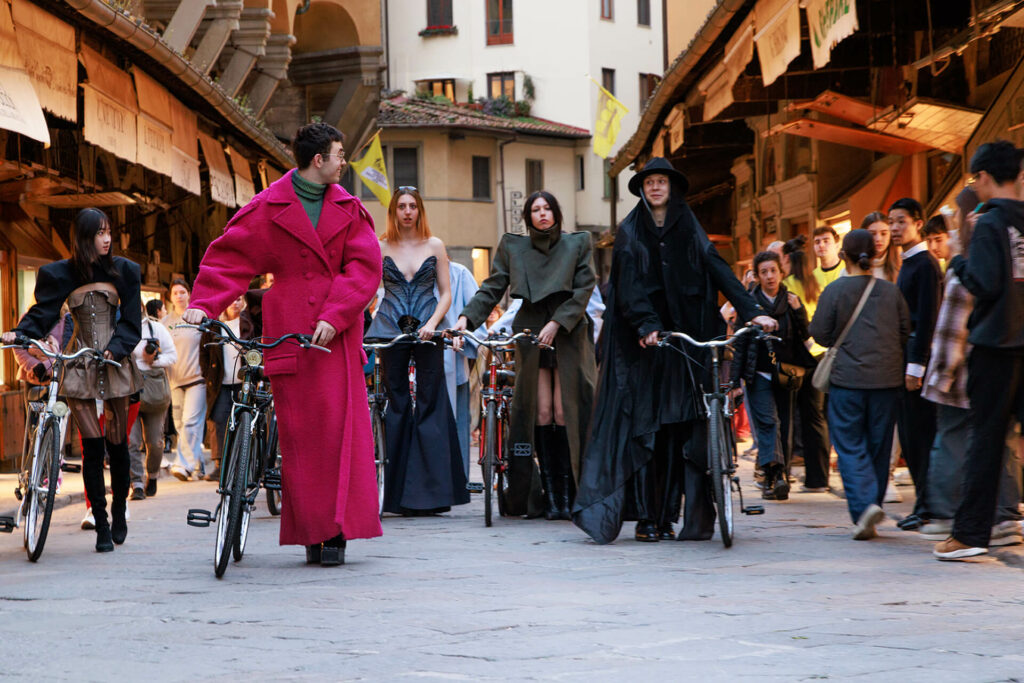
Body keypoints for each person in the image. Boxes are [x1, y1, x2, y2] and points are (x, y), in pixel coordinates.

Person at [182, 122, 382, 566]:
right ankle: (315, 532)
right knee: (301, 437)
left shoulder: (349, 210)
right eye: (339, 153)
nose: (344, 161)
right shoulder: (268, 206)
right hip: (290, 330)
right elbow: (228, 256)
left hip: (338, 335)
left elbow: (365, 269)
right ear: (319, 161)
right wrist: (204, 304)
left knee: (340, 432)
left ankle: (337, 532)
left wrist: (335, 313)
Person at [573, 157, 776, 544]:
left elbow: (717, 268)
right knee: (652, 432)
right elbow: (628, 287)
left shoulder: (689, 226)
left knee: (686, 430)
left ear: (672, 187)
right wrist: (648, 325)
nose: (655, 187)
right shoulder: (631, 230)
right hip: (645, 349)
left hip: (689, 343)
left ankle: (682, 515)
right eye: (649, 181)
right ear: (643, 189)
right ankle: (651, 518)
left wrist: (753, 311)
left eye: (662, 181)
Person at [3, 208, 142, 552]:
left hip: (115, 360)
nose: (107, 239)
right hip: (78, 364)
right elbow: (44, 312)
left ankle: (121, 511)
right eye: (99, 233)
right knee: (91, 448)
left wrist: (116, 349)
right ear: (84, 237)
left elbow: (132, 322)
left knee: (118, 445)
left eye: (108, 231)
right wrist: (19, 335)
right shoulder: (60, 273)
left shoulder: (125, 270)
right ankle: (102, 527)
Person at [454, 190, 597, 521]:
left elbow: (584, 288)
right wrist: (466, 318)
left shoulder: (578, 243)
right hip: (531, 331)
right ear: (528, 216)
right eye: (536, 209)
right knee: (542, 412)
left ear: (557, 212)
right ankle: (549, 496)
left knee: (566, 411)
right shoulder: (513, 246)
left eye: (548, 207)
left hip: (570, 332)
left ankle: (569, 494)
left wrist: (558, 323)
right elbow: (493, 286)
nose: (543, 214)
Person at [934, 140, 1024, 560]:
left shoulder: (988, 223)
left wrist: (956, 259)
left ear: (984, 177)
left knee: (985, 440)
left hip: (995, 346)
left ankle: (969, 534)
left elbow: (984, 283)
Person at [365, 187, 468, 515]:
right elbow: (366, 288)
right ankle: (395, 495)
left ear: (420, 210)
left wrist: (434, 323)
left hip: (428, 332)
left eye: (412, 206)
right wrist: (370, 316)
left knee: (431, 402)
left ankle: (433, 494)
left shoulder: (435, 245)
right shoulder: (379, 246)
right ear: (394, 211)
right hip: (390, 331)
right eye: (401, 207)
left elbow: (446, 292)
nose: (407, 211)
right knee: (395, 405)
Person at [809, 229, 910, 540]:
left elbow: (821, 335)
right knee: (879, 448)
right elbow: (906, 330)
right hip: (888, 380)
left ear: (843, 257)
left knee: (851, 445)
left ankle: (864, 507)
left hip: (847, 381)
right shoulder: (891, 291)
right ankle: (872, 506)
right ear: (875, 255)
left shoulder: (835, 291)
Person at [730, 250, 813, 501]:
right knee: (769, 423)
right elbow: (739, 344)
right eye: (763, 272)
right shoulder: (748, 304)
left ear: (781, 272)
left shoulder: (791, 301)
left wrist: (799, 312)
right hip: (758, 375)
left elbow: (806, 337)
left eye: (773, 271)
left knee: (785, 425)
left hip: (786, 374)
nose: (769, 276)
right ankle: (776, 475)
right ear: (756, 276)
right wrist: (734, 382)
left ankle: (774, 477)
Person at [889, 197, 943, 531]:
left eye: (901, 221)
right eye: (892, 221)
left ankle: (928, 507)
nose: (895, 228)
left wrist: (916, 366)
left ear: (918, 223)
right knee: (911, 438)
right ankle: (924, 504)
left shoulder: (925, 264)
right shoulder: (908, 262)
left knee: (921, 437)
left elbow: (927, 319)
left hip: (916, 363)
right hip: (905, 358)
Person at [128, 298, 177, 499]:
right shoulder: (118, 329)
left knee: (155, 442)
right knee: (131, 440)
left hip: (154, 391)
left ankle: (153, 475)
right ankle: (137, 483)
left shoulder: (155, 328)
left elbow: (172, 357)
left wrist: (154, 360)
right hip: (129, 388)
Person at [438, 259, 483, 478]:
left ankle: (458, 478)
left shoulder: (459, 273)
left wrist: (465, 337)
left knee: (457, 423)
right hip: (416, 356)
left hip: (452, 359)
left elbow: (476, 312)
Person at [200, 295, 251, 482]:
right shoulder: (215, 324)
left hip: (243, 381)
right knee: (218, 420)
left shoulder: (248, 322)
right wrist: (207, 374)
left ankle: (244, 465)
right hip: (220, 382)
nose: (235, 303)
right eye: (231, 299)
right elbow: (203, 351)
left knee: (245, 421)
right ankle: (219, 464)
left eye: (238, 299)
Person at [162, 278, 208, 481]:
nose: (179, 296)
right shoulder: (165, 324)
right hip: (174, 381)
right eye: (175, 293)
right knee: (180, 425)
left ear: (189, 294)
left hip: (197, 379)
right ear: (170, 298)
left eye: (183, 292)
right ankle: (199, 465)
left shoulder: (197, 318)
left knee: (190, 422)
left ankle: (184, 466)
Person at [862, 212, 901, 282]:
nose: (878, 239)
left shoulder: (902, 265)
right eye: (872, 234)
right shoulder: (853, 268)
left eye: (883, 234)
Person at [812, 225, 845, 289]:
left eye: (826, 241)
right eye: (817, 242)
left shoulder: (848, 270)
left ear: (837, 245)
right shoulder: (812, 277)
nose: (821, 245)